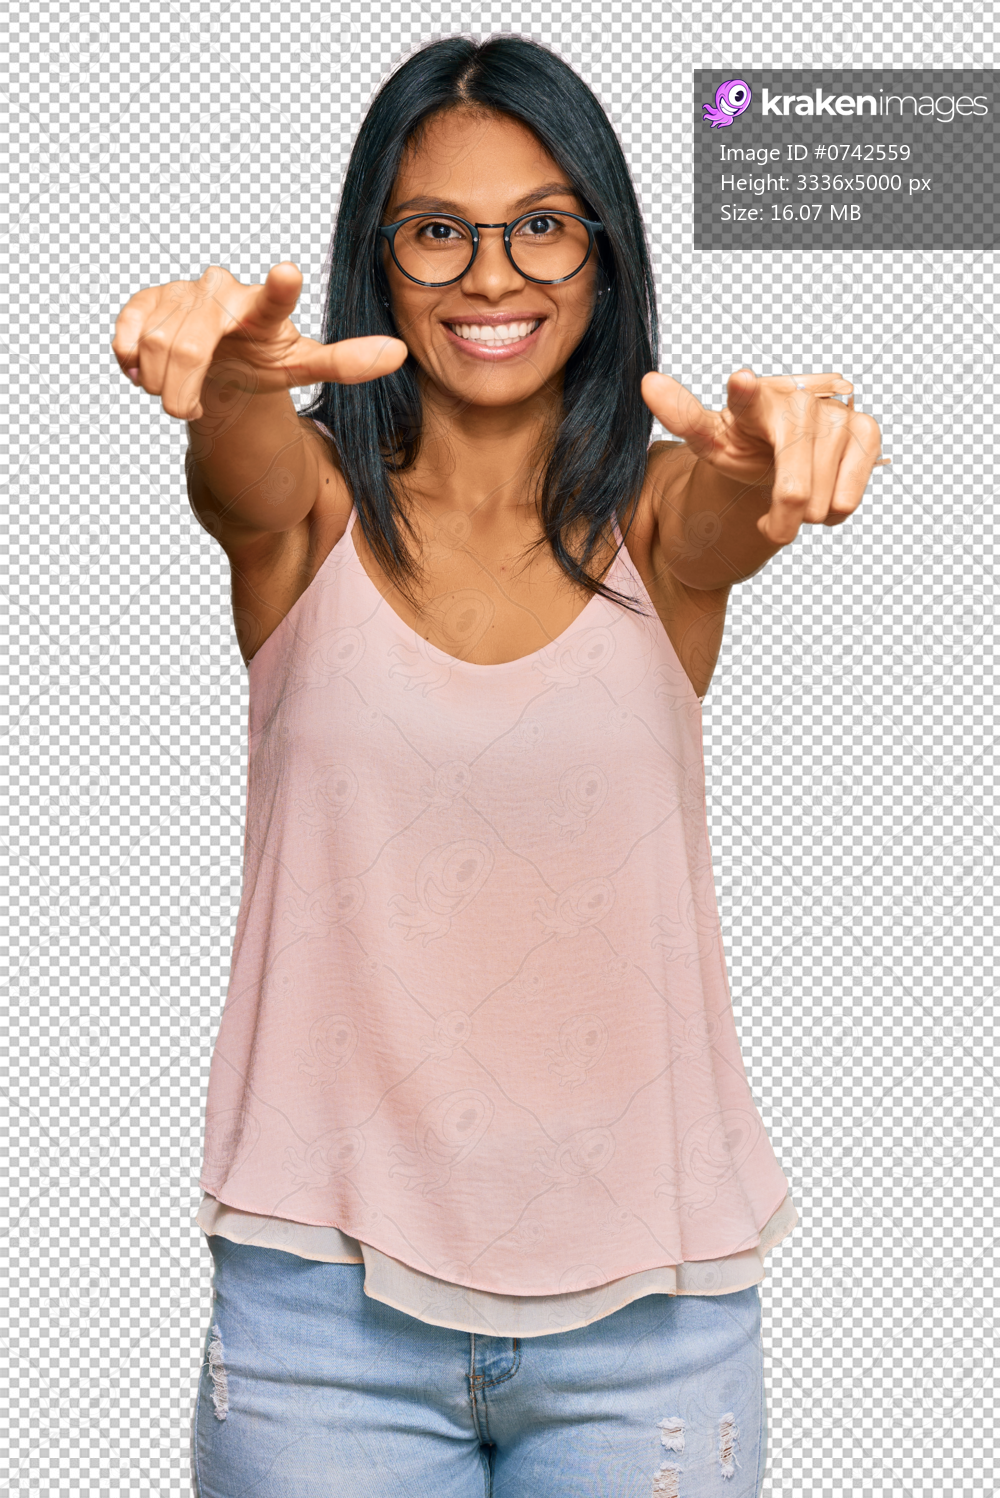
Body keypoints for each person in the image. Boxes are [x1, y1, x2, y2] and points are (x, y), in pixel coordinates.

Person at [112, 34, 883, 1498]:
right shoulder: (312, 512)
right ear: (378, 259)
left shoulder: (664, 521)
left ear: (601, 250)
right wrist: (218, 382)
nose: (491, 275)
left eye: (541, 223)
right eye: (437, 231)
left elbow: (734, 507)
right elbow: (242, 462)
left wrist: (792, 452)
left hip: (652, 1332)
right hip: (318, 1317)